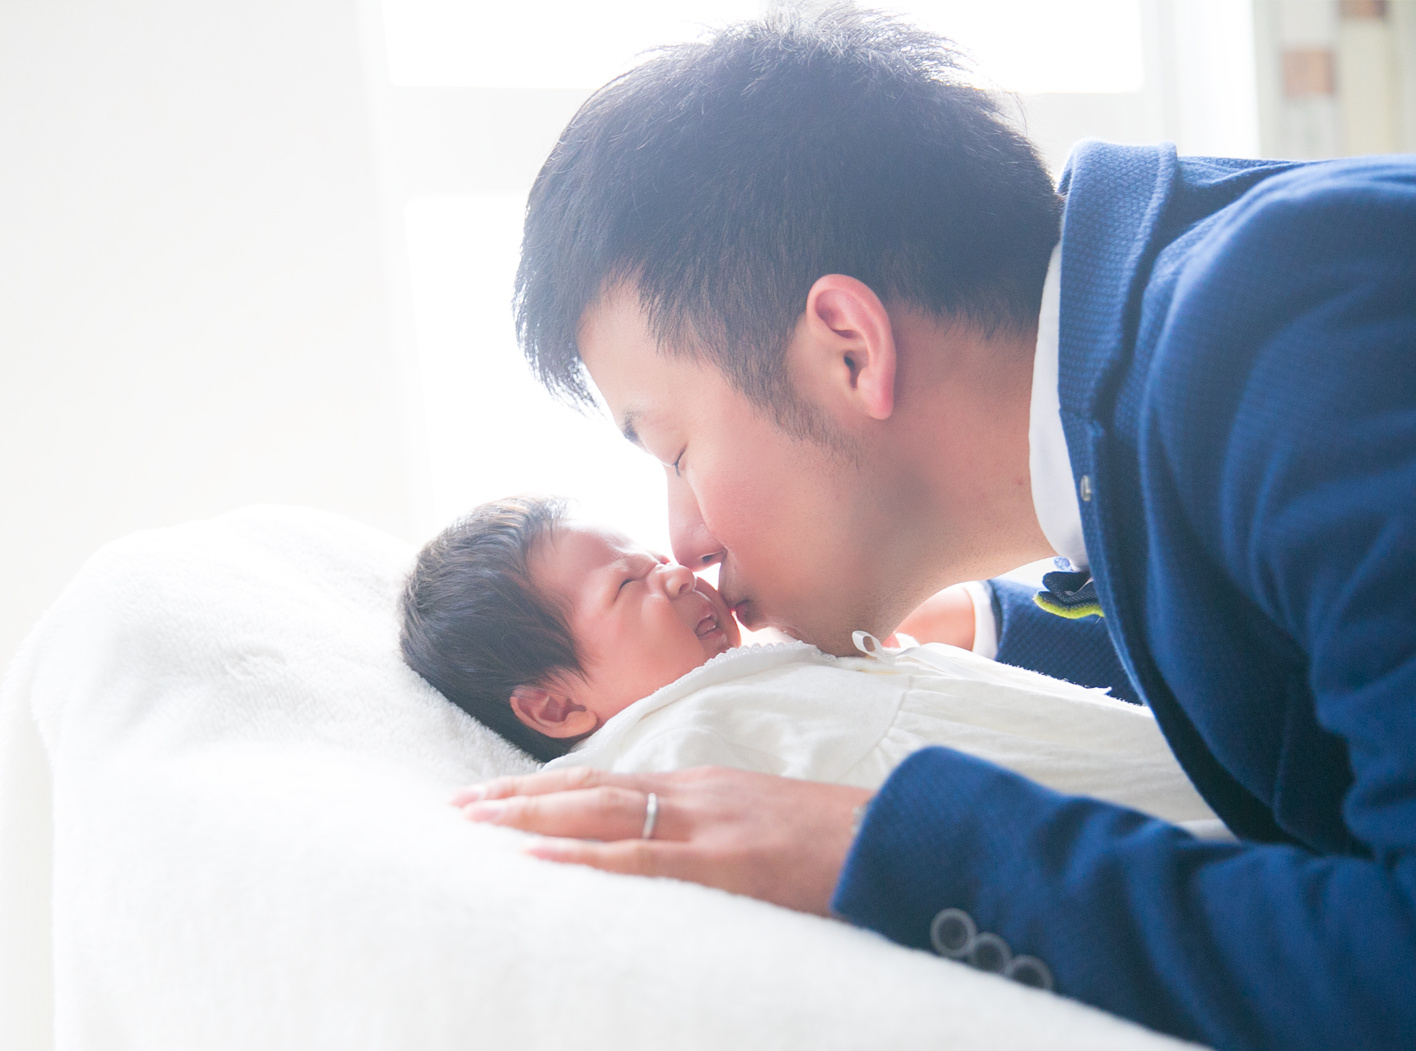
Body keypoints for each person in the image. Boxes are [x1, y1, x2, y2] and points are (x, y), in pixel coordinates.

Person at [458, 8, 1416, 1049]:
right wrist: (985, 623)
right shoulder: (1190, 344)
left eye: (676, 451)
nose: (685, 542)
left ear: (850, 348)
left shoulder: (1300, 341)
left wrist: (884, 846)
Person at [400, 498, 1221, 876]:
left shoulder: (759, 675)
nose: (677, 570)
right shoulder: (675, 748)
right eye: (627, 585)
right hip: (1176, 848)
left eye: (648, 558)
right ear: (555, 706)